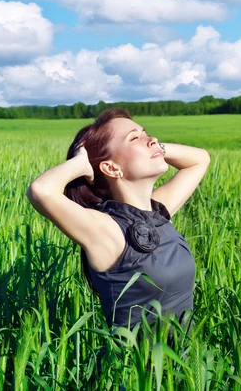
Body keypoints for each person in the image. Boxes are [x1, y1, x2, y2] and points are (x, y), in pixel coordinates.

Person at [26, 107, 210, 348]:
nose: (151, 139)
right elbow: (41, 191)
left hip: (187, 370)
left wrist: (154, 147)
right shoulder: (107, 230)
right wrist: (81, 163)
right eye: (134, 138)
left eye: (146, 133)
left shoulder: (159, 212)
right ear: (112, 168)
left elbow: (199, 160)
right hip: (139, 376)